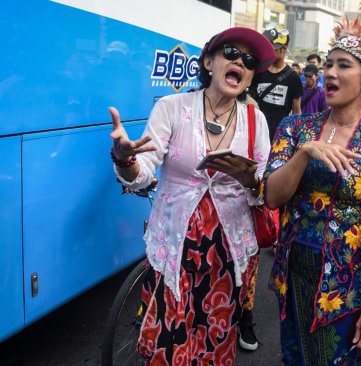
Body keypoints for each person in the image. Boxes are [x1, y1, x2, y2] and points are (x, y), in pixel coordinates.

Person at [109, 27, 275, 364]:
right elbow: (142, 172)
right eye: (231, 53)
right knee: (167, 346)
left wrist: (250, 180)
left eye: (249, 60)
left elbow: (264, 188)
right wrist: (125, 159)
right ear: (208, 61)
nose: (240, 63)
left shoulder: (255, 120)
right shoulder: (172, 107)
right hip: (173, 249)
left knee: (214, 345)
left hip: (228, 256)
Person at [262, 16, 361, 365]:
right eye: (328, 64)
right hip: (292, 275)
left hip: (345, 289)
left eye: (344, 66)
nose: (331, 73)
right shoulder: (295, 129)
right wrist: (305, 152)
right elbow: (272, 196)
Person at [250, 24, 303, 140]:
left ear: (284, 49)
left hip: (279, 135)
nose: (269, 51)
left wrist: (295, 134)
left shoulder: (293, 77)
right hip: (254, 131)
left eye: (273, 48)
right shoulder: (258, 71)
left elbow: (297, 110)